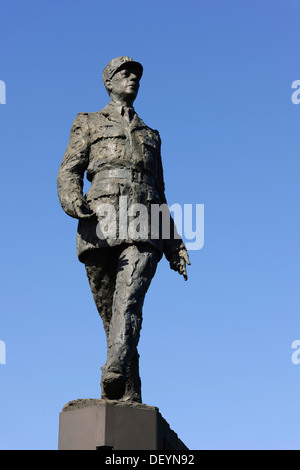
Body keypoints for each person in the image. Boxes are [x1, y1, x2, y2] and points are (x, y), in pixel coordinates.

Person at [57, 56, 190, 402]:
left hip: (145, 225)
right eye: (125, 73)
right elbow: (69, 170)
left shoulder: (151, 135)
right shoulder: (87, 121)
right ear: (109, 81)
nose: (133, 78)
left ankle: (113, 370)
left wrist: (174, 244)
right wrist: (72, 200)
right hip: (98, 224)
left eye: (136, 75)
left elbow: (160, 191)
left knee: (128, 300)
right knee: (112, 316)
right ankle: (130, 391)